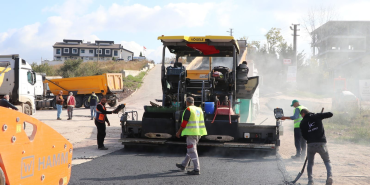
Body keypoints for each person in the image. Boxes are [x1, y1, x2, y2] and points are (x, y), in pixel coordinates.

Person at [300, 109, 333, 185]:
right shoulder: (317, 116)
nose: (301, 116)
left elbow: (304, 136)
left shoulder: (302, 122)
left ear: (303, 114)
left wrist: (310, 137)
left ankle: (310, 181)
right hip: (321, 144)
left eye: (301, 115)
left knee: (310, 163)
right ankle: (329, 177)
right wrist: (320, 115)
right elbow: (330, 114)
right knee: (327, 161)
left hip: (311, 144)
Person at [175, 97, 207, 175]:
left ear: (187, 102)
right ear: (193, 102)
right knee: (191, 150)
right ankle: (183, 165)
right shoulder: (199, 109)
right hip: (198, 133)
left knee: (192, 150)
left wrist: (179, 132)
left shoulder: (189, 110)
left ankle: (196, 169)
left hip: (191, 133)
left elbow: (184, 123)